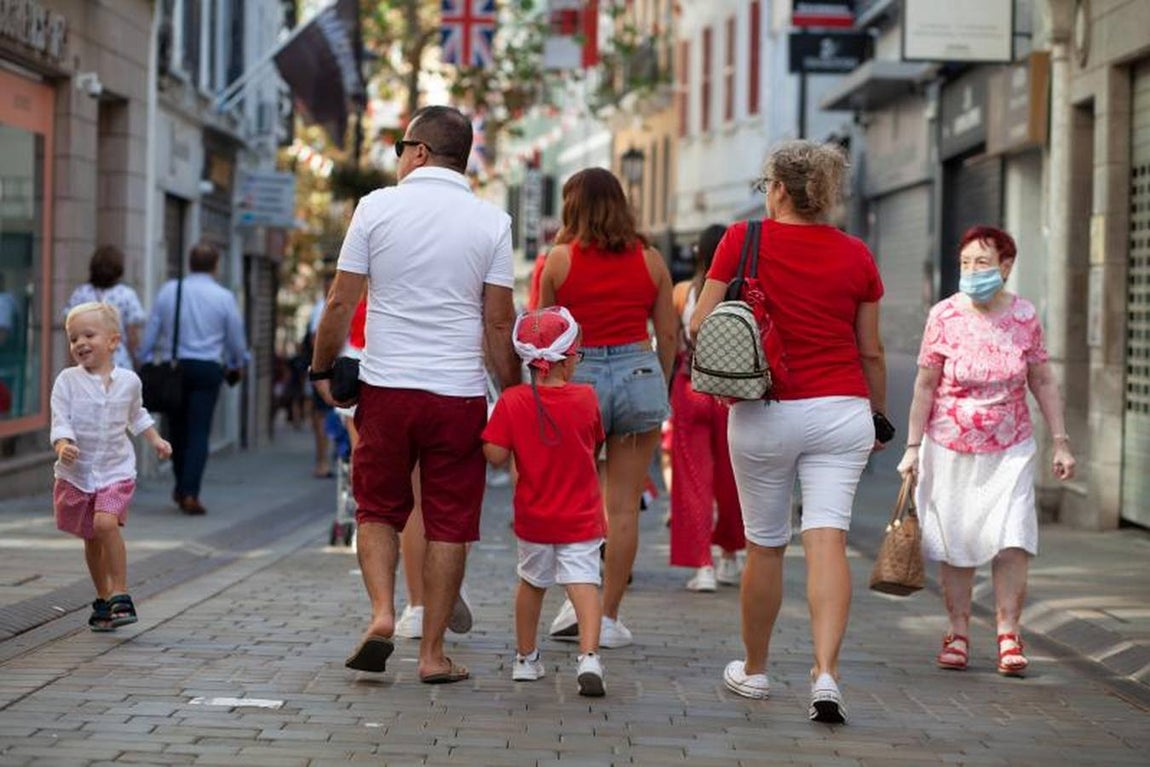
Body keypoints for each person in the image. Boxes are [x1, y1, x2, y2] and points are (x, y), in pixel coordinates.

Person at [309, 105, 518, 684]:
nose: (398, 158)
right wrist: (516, 393)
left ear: (419, 151)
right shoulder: (491, 222)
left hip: (387, 388)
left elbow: (339, 303)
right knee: (450, 521)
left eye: (402, 147)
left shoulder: (376, 207)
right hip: (457, 395)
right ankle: (431, 655)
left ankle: (381, 614)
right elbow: (499, 326)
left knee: (377, 508)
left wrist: (321, 368)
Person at [690, 140, 887, 724]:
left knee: (766, 543)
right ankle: (825, 674)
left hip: (765, 411)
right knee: (827, 539)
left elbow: (701, 323)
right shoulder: (857, 255)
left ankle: (754, 670)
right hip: (842, 410)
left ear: (776, 188)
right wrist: (877, 417)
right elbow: (870, 351)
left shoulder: (740, 240)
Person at [896, 225, 1076, 678]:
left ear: (1006, 266)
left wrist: (1060, 439)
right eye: (965, 263)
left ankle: (1009, 634)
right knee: (957, 546)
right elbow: (924, 385)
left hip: (1011, 446)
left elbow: (1042, 380)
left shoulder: (1024, 317)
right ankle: (958, 632)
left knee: (1013, 540)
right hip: (949, 446)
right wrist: (912, 448)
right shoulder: (944, 316)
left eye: (982, 262)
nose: (972, 271)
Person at [539, 167, 677, 649]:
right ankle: (611, 615)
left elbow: (545, 341)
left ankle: (577, 603)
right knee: (622, 507)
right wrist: (655, 378)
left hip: (580, 381)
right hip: (639, 372)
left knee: (575, 499)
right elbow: (669, 337)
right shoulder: (652, 260)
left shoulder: (558, 261)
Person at [482, 307, 607, 696]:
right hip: (581, 515)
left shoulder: (514, 401)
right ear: (567, 360)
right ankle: (589, 657)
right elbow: (595, 443)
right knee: (584, 584)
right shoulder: (587, 398)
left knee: (532, 584)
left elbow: (496, 457)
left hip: (534, 516)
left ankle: (526, 658)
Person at [51, 302, 172, 631]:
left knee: (105, 524)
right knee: (91, 537)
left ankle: (120, 592)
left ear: (113, 341)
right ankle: (103, 598)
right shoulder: (66, 381)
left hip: (116, 471)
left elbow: (137, 415)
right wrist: (64, 446)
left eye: (89, 335)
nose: (80, 343)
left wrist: (156, 440)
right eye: (74, 338)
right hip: (78, 475)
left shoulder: (129, 381)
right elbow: (60, 422)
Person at [139, 242, 249, 516]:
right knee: (199, 432)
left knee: (176, 430)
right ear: (216, 265)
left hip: (174, 369)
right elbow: (235, 337)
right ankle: (190, 492)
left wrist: (143, 358)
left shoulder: (169, 291)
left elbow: (152, 329)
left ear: (189, 263)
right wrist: (239, 361)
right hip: (208, 370)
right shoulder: (223, 297)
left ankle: (181, 487)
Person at [669, 224, 745, 592]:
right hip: (733, 394)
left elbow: (671, 342)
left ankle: (702, 565)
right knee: (733, 479)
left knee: (692, 478)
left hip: (691, 387)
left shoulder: (684, 292)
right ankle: (730, 556)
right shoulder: (743, 291)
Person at [62, 245, 147, 370]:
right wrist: (137, 362)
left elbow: (72, 335)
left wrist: (70, 365)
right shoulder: (127, 295)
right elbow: (132, 337)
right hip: (118, 362)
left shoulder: (80, 294)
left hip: (86, 361)